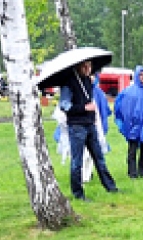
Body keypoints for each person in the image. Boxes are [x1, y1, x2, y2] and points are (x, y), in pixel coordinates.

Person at [60, 60, 118, 201]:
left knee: (99, 158)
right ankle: (78, 194)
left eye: (90, 66)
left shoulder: (87, 81)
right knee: (77, 162)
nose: (88, 69)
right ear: (78, 67)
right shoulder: (69, 83)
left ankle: (111, 187)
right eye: (85, 66)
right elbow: (65, 106)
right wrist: (83, 108)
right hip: (77, 126)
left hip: (90, 124)